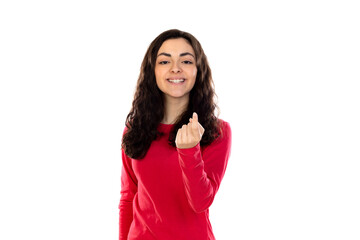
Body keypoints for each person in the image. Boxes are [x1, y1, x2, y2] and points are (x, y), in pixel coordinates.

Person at [119, 29, 232, 240]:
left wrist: (189, 151)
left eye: (186, 61)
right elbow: (128, 197)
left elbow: (200, 202)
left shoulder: (218, 132)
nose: (175, 69)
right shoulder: (135, 128)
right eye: (164, 62)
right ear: (152, 70)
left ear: (198, 71)